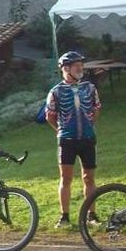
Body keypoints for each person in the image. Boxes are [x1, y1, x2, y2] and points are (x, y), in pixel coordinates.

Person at [46, 51, 102, 228]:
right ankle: (64, 216)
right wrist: (60, 130)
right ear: (66, 69)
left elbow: (96, 108)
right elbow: (50, 116)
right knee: (66, 178)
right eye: (76, 66)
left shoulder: (90, 88)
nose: (80, 69)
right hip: (67, 140)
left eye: (81, 66)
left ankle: (91, 214)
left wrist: (90, 124)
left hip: (87, 139)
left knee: (89, 177)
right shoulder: (55, 91)